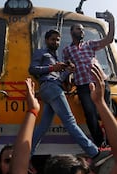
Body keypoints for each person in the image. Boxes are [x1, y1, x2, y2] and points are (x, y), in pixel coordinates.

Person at [29, 29, 102, 163]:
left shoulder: (56, 58)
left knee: (43, 127)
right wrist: (52, 68)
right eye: (53, 39)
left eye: (58, 40)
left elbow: (58, 78)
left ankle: (26, 156)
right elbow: (32, 69)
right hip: (50, 87)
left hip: (52, 87)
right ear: (46, 40)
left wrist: (68, 71)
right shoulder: (41, 52)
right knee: (70, 122)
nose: (56, 42)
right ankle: (94, 152)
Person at [62, 11, 115, 147]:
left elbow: (108, 40)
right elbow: (66, 68)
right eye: (79, 29)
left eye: (82, 30)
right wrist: (68, 73)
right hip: (82, 85)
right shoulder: (67, 50)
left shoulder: (90, 44)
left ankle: (112, 140)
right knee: (90, 114)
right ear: (71, 32)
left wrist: (111, 22)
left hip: (99, 82)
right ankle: (100, 144)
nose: (82, 31)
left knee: (107, 112)